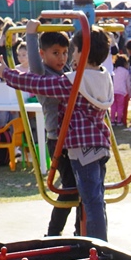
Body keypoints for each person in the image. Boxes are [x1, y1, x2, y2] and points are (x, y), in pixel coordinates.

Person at [0, 27, 115, 241]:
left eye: (71, 51)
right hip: (100, 144)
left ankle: (96, 245)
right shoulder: (103, 77)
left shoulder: (74, 81)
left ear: (81, 53)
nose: (67, 57)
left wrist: (6, 73)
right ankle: (87, 236)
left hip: (80, 146)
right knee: (94, 197)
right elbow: (38, 72)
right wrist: (32, 37)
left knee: (87, 197)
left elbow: (37, 83)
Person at [24, 23, 81, 236]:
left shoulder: (65, 71)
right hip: (58, 137)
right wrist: (31, 34)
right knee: (69, 188)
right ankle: (53, 233)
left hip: (75, 136)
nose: (61, 58)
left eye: (65, 52)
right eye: (55, 53)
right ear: (42, 54)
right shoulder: (42, 73)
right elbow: (33, 62)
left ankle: (79, 231)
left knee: (80, 187)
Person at [112, 53, 131, 126]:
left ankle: (112, 120)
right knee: (120, 106)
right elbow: (128, 83)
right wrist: (129, 92)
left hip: (113, 91)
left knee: (113, 106)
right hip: (122, 91)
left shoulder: (113, 70)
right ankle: (119, 120)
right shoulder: (125, 72)